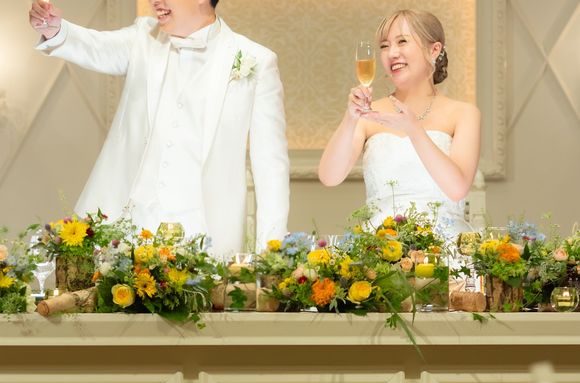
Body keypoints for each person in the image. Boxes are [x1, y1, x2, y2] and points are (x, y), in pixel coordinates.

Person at [29, 0, 290, 257]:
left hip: (206, 238)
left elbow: (271, 166)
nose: (155, 1)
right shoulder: (143, 37)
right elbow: (96, 46)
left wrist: (271, 254)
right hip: (125, 231)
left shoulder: (256, 60)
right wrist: (56, 30)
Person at [318, 9, 480, 240]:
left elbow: (457, 189)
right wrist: (350, 118)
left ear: (434, 50)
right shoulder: (369, 114)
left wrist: (414, 130)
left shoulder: (464, 114)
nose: (391, 53)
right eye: (384, 46)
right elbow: (329, 177)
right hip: (379, 247)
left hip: (445, 245)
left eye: (402, 42)